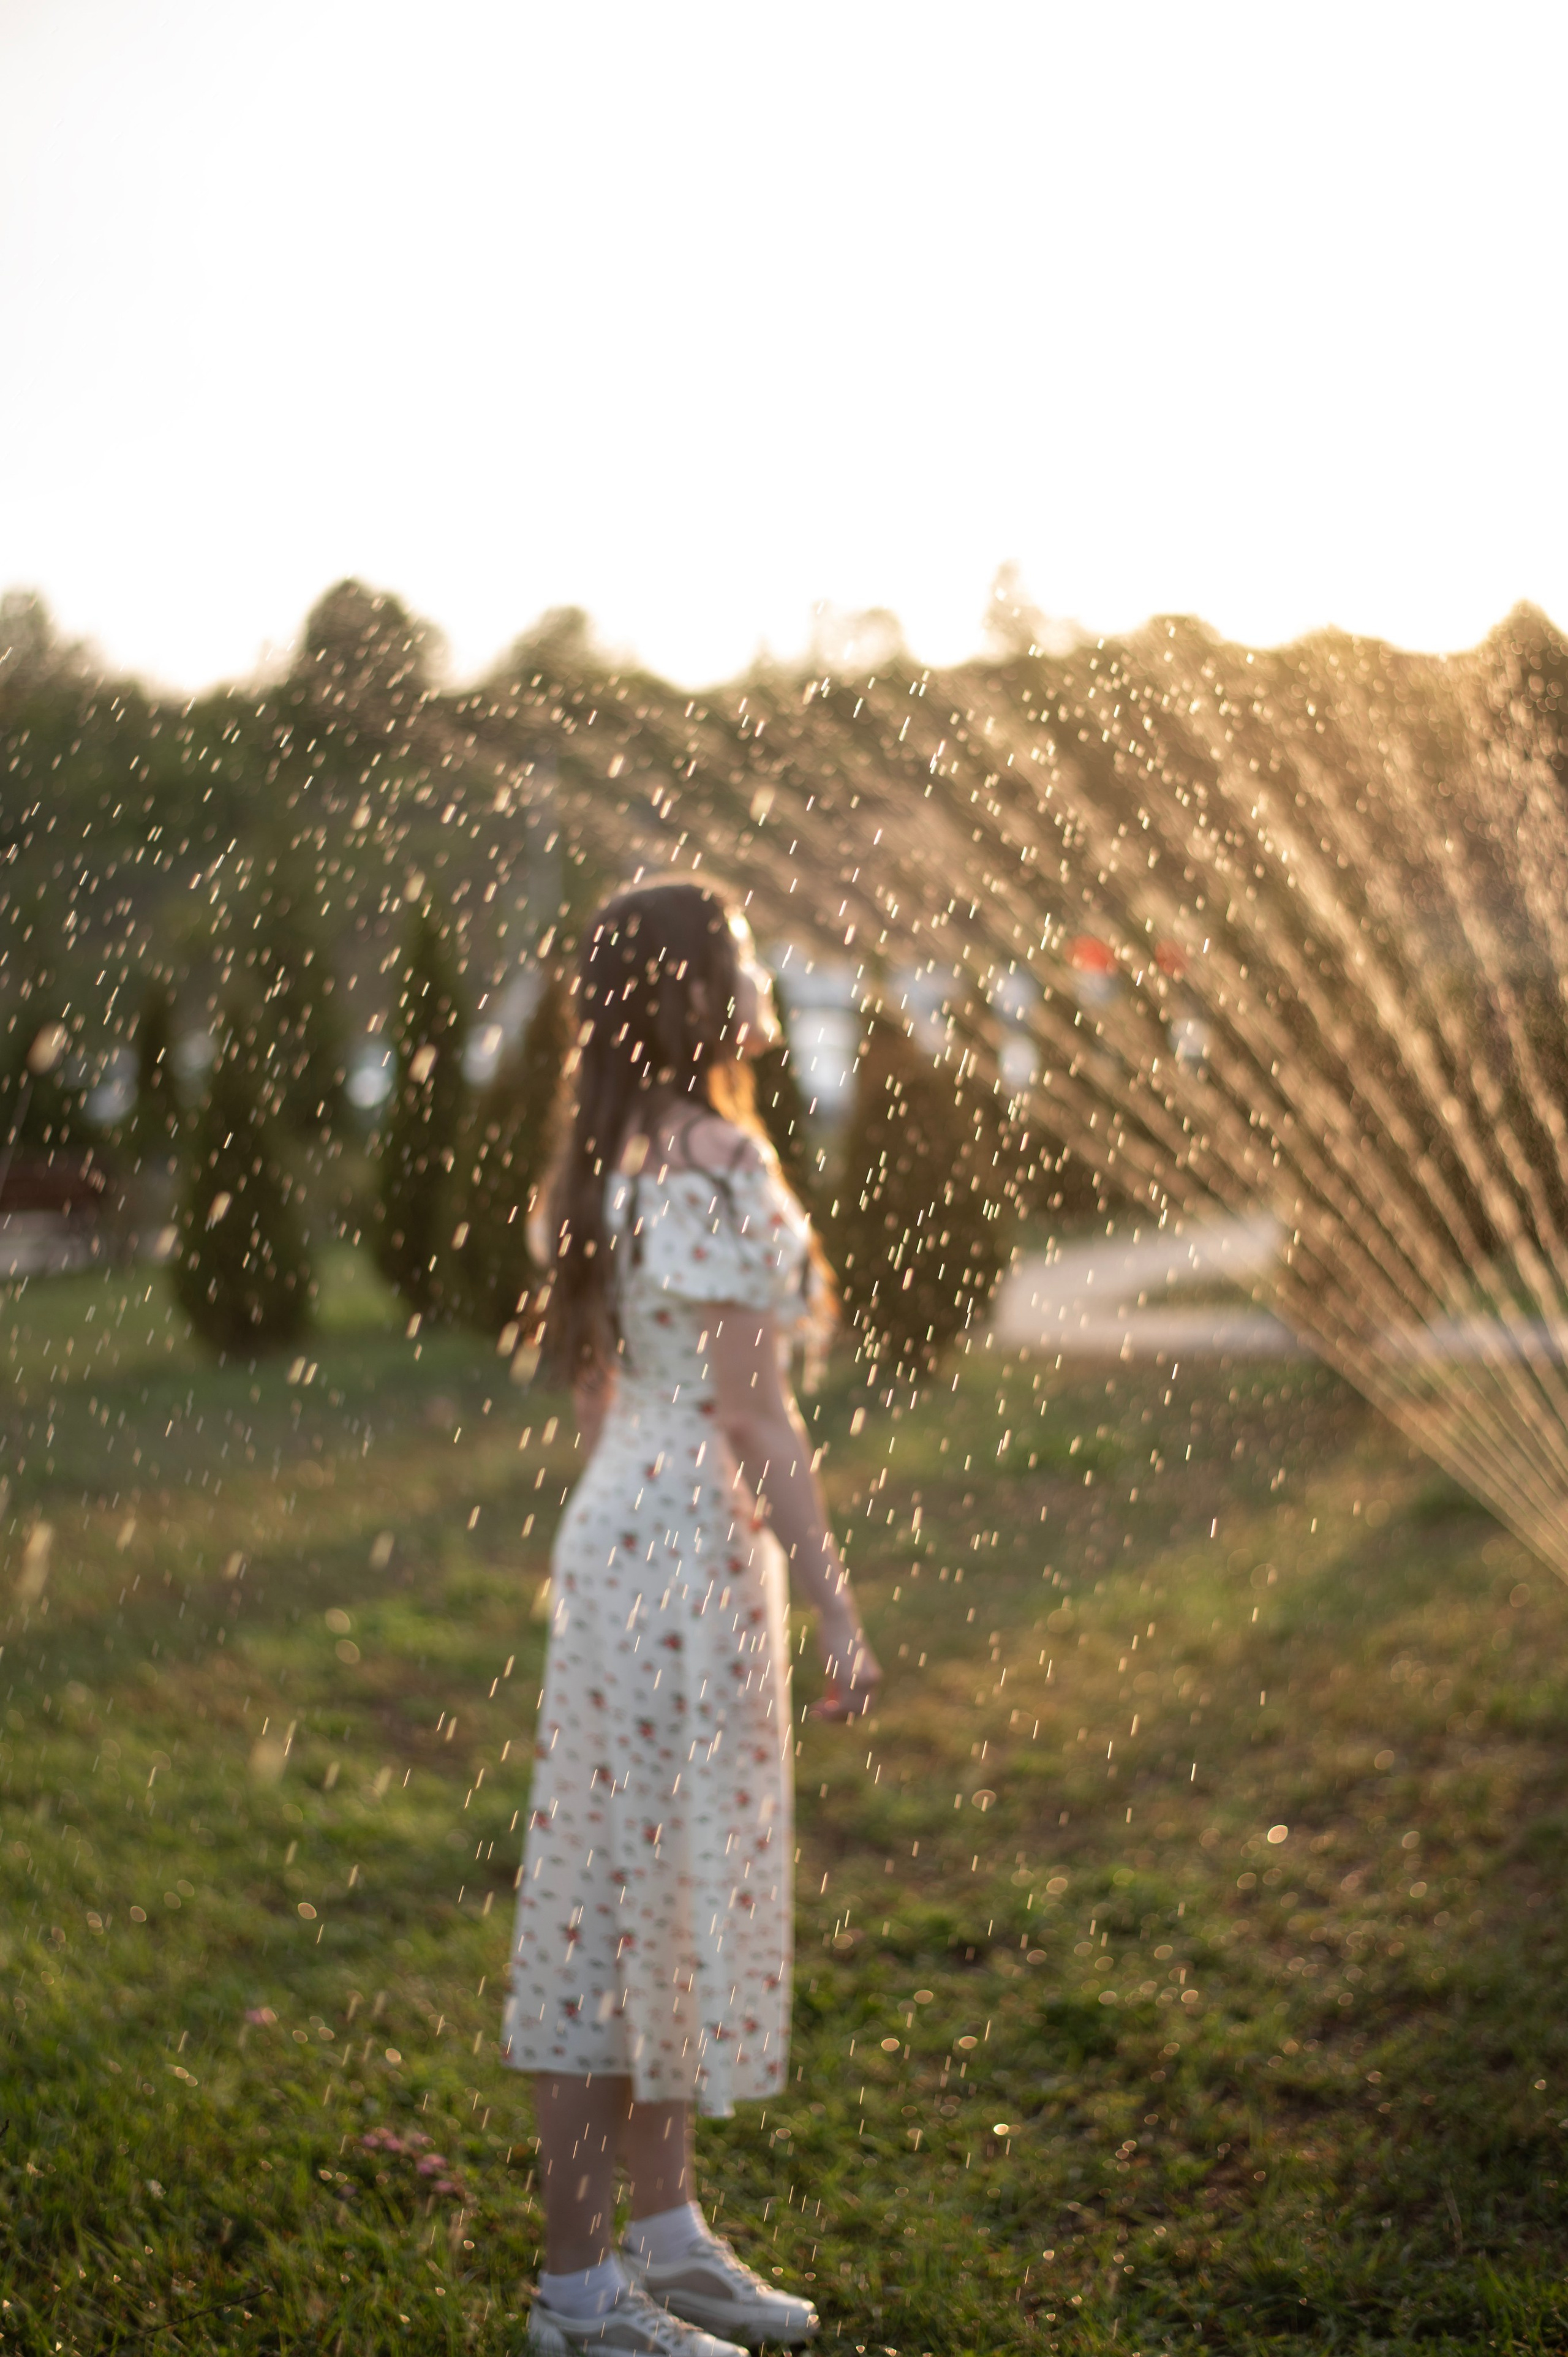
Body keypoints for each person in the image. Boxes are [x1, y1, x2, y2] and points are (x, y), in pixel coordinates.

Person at [503, 880, 881, 2356]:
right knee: (626, 1905)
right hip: (687, 1548)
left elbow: (603, 1391)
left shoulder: (601, 1155)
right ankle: (580, 2294)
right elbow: (750, 1407)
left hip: (618, 1529)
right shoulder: (716, 1159)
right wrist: (836, 1610)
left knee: (629, 1889)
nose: (758, 984)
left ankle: (658, 2237)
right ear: (695, 993)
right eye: (737, 962)